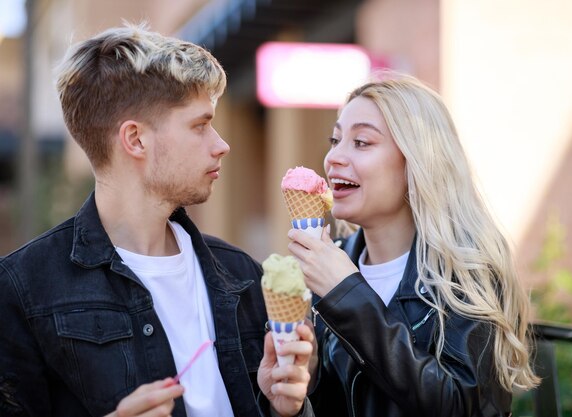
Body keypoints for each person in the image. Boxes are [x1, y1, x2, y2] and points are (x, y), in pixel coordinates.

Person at [0, 24, 314, 417]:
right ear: (135, 139)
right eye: (200, 125)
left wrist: (286, 410)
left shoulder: (244, 276)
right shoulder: (21, 288)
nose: (221, 145)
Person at [287, 73, 540, 416]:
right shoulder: (334, 260)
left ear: (417, 161)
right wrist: (301, 392)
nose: (333, 158)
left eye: (361, 142)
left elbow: (465, 407)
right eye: (335, 140)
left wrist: (349, 296)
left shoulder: (465, 269)